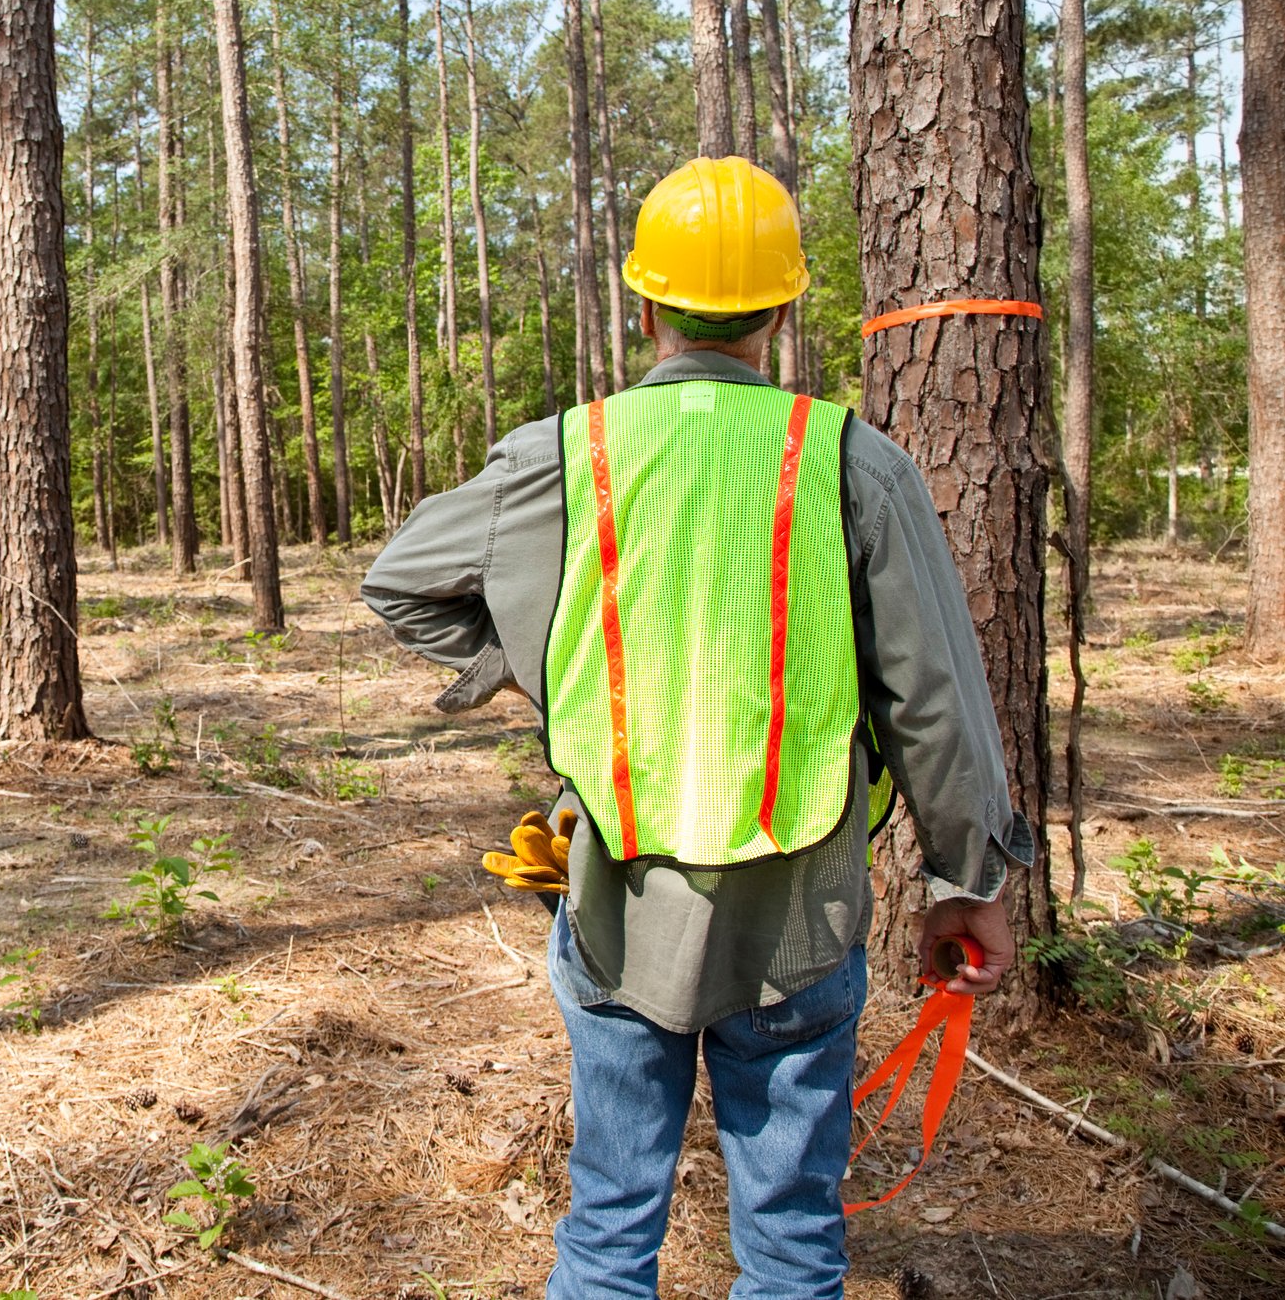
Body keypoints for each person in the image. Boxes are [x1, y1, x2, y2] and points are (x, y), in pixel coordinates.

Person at [359, 156, 1034, 1299]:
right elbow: (936, 698)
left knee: (613, 1223)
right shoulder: (852, 464)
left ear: (644, 304)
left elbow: (402, 580)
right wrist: (968, 881)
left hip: (619, 903)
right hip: (804, 919)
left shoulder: (562, 457)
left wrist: (538, 673)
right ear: (782, 307)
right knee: (789, 1240)